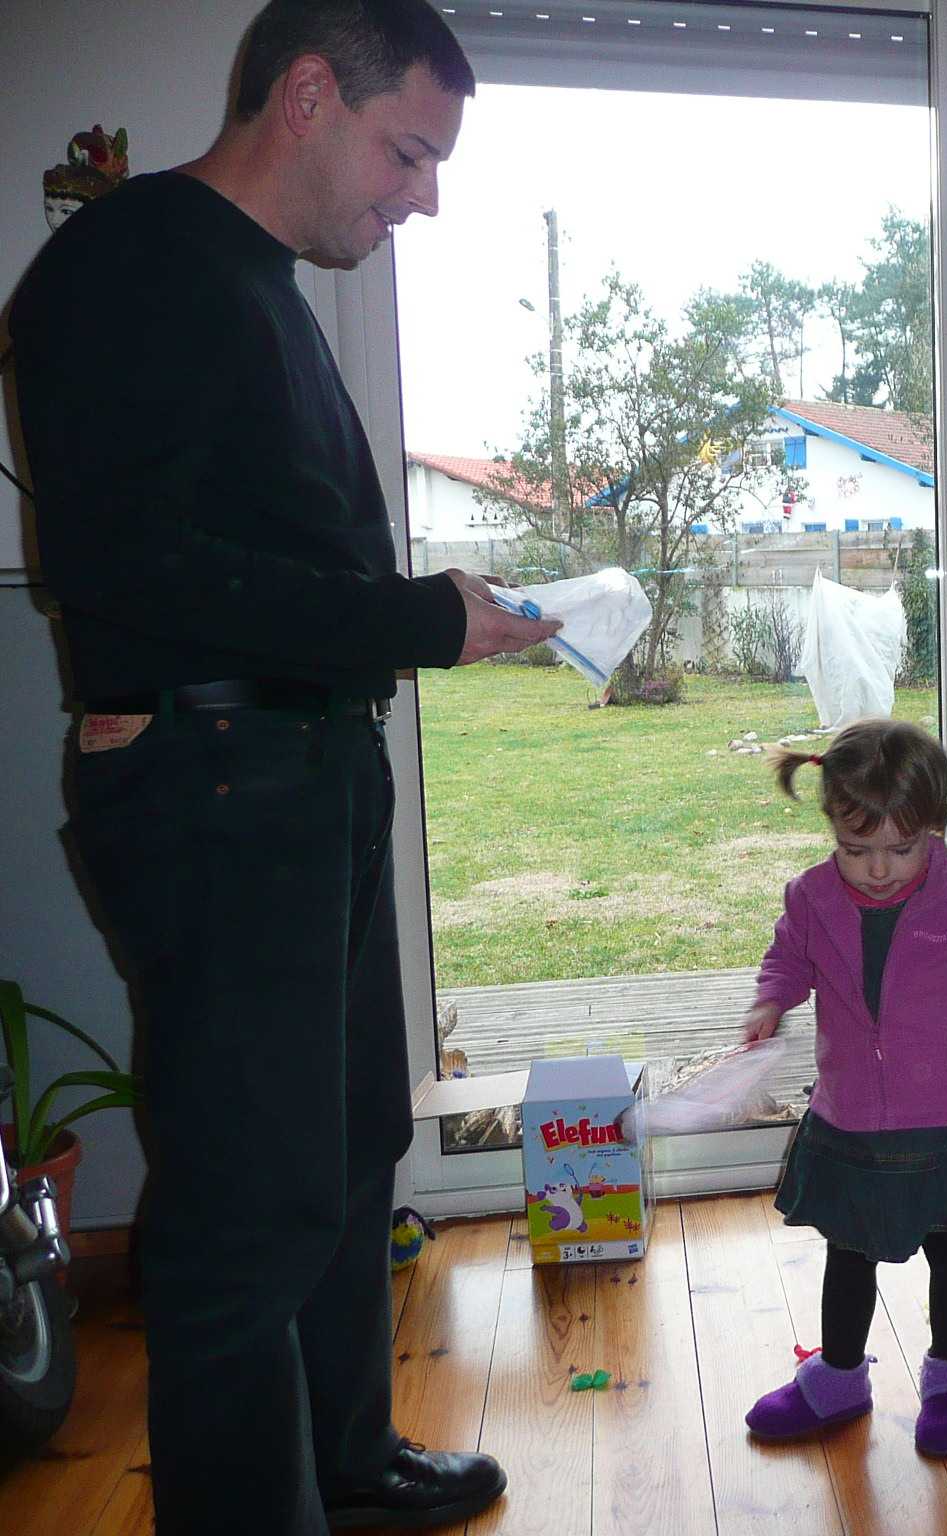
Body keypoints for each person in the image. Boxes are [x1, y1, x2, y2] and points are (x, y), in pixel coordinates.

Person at [7, 3, 557, 1532]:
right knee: (249, 1210)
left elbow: (258, 555)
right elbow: (132, 572)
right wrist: (418, 621)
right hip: (217, 780)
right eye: (408, 152)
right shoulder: (130, 266)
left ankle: (347, 1464)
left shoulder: (254, 285)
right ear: (308, 94)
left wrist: (429, 615)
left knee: (351, 1145)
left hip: (299, 769)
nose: (422, 197)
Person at [739, 719, 947, 1458]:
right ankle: (839, 1379)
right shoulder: (811, 898)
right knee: (848, 1252)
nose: (877, 869)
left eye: (901, 849)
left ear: (935, 826)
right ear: (832, 827)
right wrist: (770, 1002)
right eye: (855, 848)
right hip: (854, 1118)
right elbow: (789, 958)